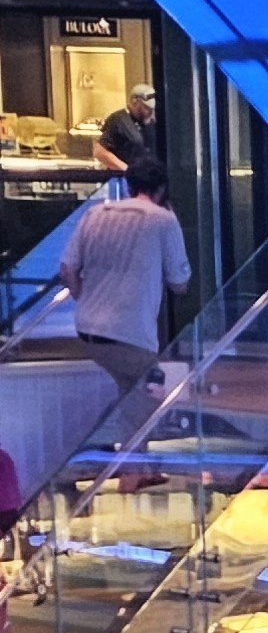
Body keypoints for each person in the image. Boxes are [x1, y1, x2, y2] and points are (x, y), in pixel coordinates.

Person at [56, 156, 189, 439]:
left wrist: (85, 299)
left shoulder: (95, 214)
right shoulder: (163, 221)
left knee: (132, 394)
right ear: (161, 189)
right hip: (130, 334)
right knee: (154, 390)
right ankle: (130, 468)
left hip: (88, 329)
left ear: (129, 185)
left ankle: (133, 466)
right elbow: (180, 284)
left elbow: (67, 269)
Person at [96, 83, 158, 177]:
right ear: (134, 102)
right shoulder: (118, 120)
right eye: (146, 108)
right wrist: (127, 170)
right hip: (127, 180)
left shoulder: (150, 122)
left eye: (151, 109)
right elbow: (100, 152)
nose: (150, 112)